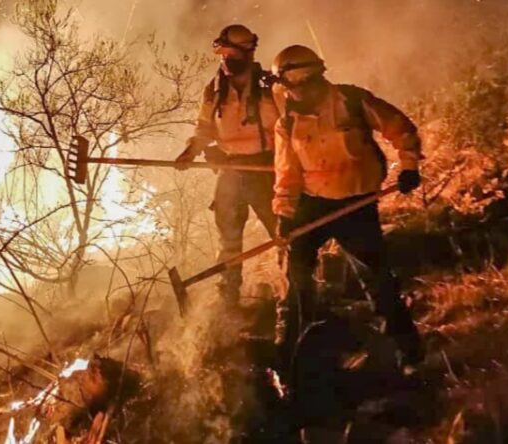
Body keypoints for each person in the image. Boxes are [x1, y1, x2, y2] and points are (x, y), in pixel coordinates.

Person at [270, 45, 424, 370]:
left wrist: (409, 165)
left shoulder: (353, 101)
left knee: (376, 277)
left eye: (306, 84)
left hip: (356, 202)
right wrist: (284, 214)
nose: (300, 93)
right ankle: (291, 351)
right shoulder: (287, 123)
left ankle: (406, 352)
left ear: (318, 77)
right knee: (294, 274)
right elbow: (287, 174)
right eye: (293, 87)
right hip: (312, 202)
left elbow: (400, 127)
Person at [176, 24, 280, 305]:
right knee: (229, 239)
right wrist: (191, 151)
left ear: (248, 53)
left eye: (231, 54)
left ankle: (295, 293)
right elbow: (205, 128)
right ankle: (229, 297)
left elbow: (290, 127)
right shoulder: (214, 90)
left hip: (266, 170)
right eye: (223, 54)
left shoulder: (270, 87)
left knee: (284, 234)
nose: (226, 59)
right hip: (231, 170)